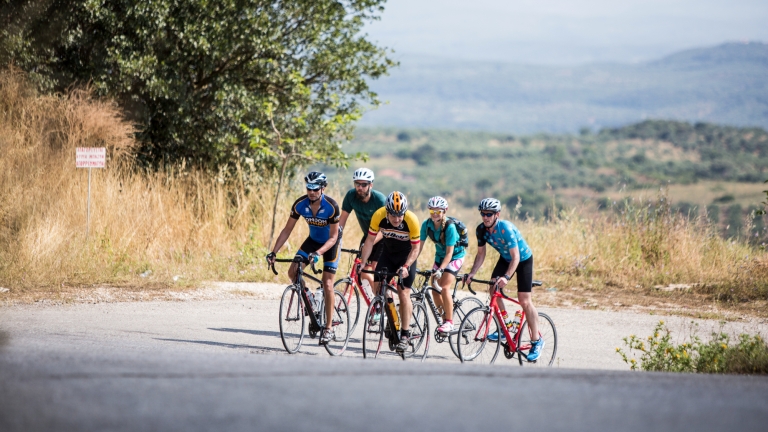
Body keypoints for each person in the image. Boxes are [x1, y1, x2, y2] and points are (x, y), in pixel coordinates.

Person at [465, 198, 545, 361]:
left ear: (497, 215)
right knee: (493, 289)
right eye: (483, 214)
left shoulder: (506, 229)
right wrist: (472, 273)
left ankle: (536, 341)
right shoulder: (481, 230)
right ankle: (504, 328)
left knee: (524, 301)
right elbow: (481, 254)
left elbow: (516, 258)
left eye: (489, 214)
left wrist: (506, 277)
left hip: (522, 259)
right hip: (505, 258)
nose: (485, 217)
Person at [266, 172, 341, 345]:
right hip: (312, 241)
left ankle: (328, 328)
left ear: (323, 188)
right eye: (309, 188)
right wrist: (274, 252)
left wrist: (319, 253)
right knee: (293, 272)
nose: (311, 192)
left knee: (328, 283)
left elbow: (333, 237)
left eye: (315, 189)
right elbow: (287, 230)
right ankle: (311, 300)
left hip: (330, 243)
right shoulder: (300, 204)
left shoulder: (332, 206)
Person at [360, 191, 420, 353]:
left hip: (406, 257)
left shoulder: (411, 220)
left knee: (403, 292)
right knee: (378, 288)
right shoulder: (379, 215)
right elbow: (370, 240)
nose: (396, 219)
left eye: (400, 215)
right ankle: (392, 314)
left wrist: (406, 266)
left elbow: (416, 248)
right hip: (388, 254)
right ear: (387, 212)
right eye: (393, 215)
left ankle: (406, 334)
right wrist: (363, 262)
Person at [415, 196, 466, 335]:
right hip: (439, 258)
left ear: (444, 211)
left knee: (444, 287)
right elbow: (418, 247)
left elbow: (449, 253)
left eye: (438, 211)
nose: (435, 214)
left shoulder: (450, 227)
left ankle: (449, 322)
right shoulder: (427, 225)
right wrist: (410, 263)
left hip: (455, 257)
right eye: (432, 211)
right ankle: (444, 319)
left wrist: (441, 270)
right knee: (434, 290)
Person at [338, 168, 386, 292]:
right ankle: (375, 301)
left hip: (383, 238)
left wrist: (370, 242)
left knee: (374, 269)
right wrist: (335, 238)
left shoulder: (379, 200)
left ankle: (382, 301)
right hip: (367, 236)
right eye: (357, 184)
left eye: (364, 184)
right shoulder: (350, 196)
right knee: (360, 270)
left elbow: (385, 229)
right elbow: (341, 221)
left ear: (371, 185)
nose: (360, 187)